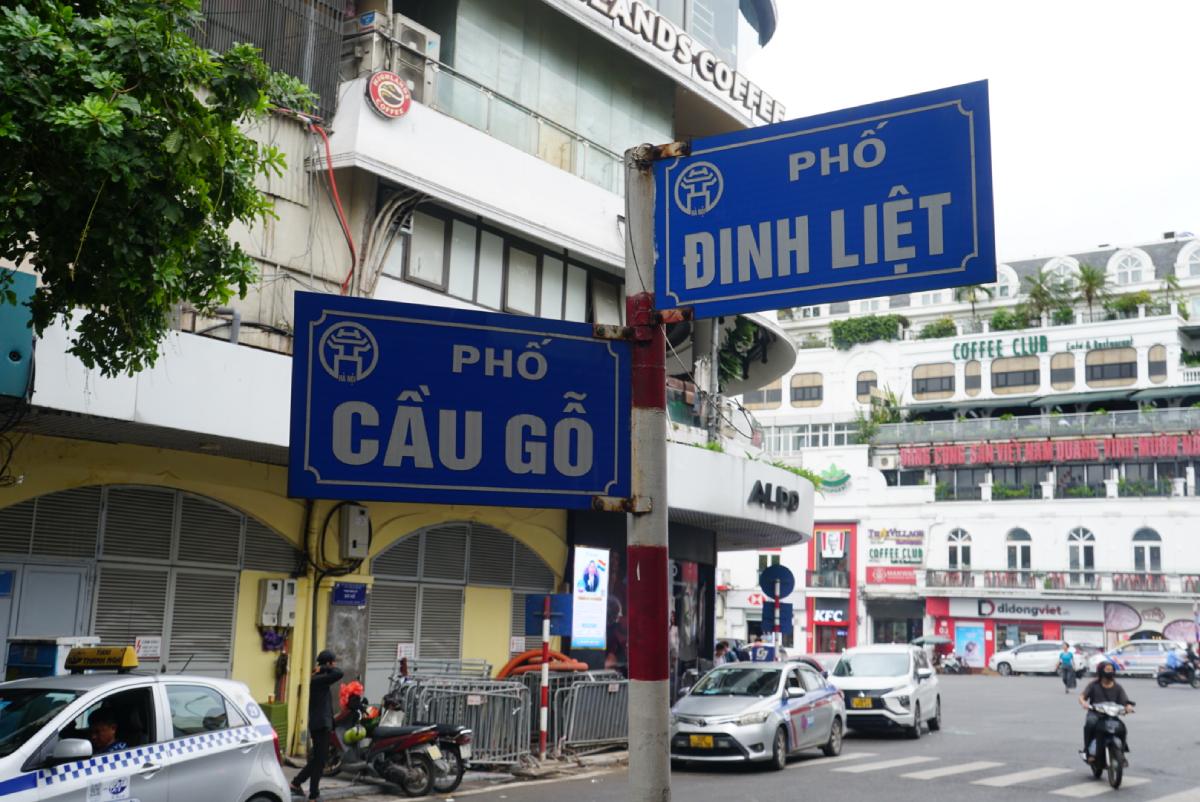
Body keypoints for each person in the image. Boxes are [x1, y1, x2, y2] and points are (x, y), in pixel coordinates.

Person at [291, 650, 344, 801]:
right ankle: (313, 794)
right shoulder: (318, 679)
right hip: (320, 724)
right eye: (332, 662)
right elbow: (339, 673)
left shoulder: (319, 678)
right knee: (320, 761)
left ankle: (296, 783)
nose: (334, 665)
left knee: (318, 760)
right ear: (328, 663)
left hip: (321, 723)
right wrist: (325, 669)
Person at [1078, 661, 1133, 764]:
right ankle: (1088, 751)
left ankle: (1122, 752)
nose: (1110, 672)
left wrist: (1128, 707)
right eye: (1107, 670)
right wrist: (1084, 703)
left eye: (1111, 670)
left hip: (1111, 714)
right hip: (1095, 713)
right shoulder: (1093, 685)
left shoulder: (1118, 687)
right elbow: (1082, 696)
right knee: (1090, 723)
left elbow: (1125, 701)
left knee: (1121, 728)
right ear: (1101, 671)